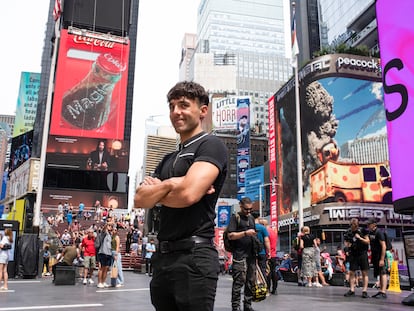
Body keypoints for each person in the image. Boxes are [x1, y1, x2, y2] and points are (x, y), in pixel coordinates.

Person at [134, 81, 228, 311]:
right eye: (172, 106)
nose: (176, 112)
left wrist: (161, 191)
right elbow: (139, 199)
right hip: (163, 258)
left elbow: (188, 194)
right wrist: (172, 183)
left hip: (195, 256)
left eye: (184, 105)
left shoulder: (211, 145)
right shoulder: (167, 159)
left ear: (203, 110)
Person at [227, 197, 257, 311]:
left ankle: (247, 305)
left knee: (250, 280)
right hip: (239, 254)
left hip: (251, 254)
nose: (248, 212)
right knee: (238, 281)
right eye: (246, 209)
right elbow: (231, 235)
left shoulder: (251, 218)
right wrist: (245, 233)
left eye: (251, 209)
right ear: (240, 206)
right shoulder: (235, 218)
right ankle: (236, 306)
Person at [343, 218, 370, 298]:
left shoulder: (362, 230)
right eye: (352, 225)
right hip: (353, 253)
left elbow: (367, 241)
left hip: (362, 253)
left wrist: (360, 238)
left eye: (355, 226)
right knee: (352, 272)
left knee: (364, 272)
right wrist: (347, 249)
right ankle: (352, 290)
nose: (354, 227)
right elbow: (346, 243)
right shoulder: (348, 232)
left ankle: (364, 291)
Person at [367, 218, 388, 299]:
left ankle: (383, 292)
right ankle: (380, 291)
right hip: (375, 255)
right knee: (379, 273)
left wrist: (382, 259)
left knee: (383, 273)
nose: (368, 226)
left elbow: (384, 246)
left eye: (369, 224)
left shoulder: (379, 233)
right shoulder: (371, 233)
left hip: (380, 255)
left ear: (374, 224)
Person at [262, 219, 278, 294]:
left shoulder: (266, 232)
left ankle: (268, 287)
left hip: (268, 253)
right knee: (273, 271)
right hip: (274, 254)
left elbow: (266, 242)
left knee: (267, 272)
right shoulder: (273, 232)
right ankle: (274, 288)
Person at [97, 223, 113, 288]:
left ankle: (103, 282)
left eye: (111, 226)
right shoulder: (104, 233)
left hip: (109, 253)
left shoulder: (110, 235)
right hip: (103, 252)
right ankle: (99, 282)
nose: (110, 227)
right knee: (101, 268)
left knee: (106, 269)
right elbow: (104, 229)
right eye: (109, 226)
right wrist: (107, 224)